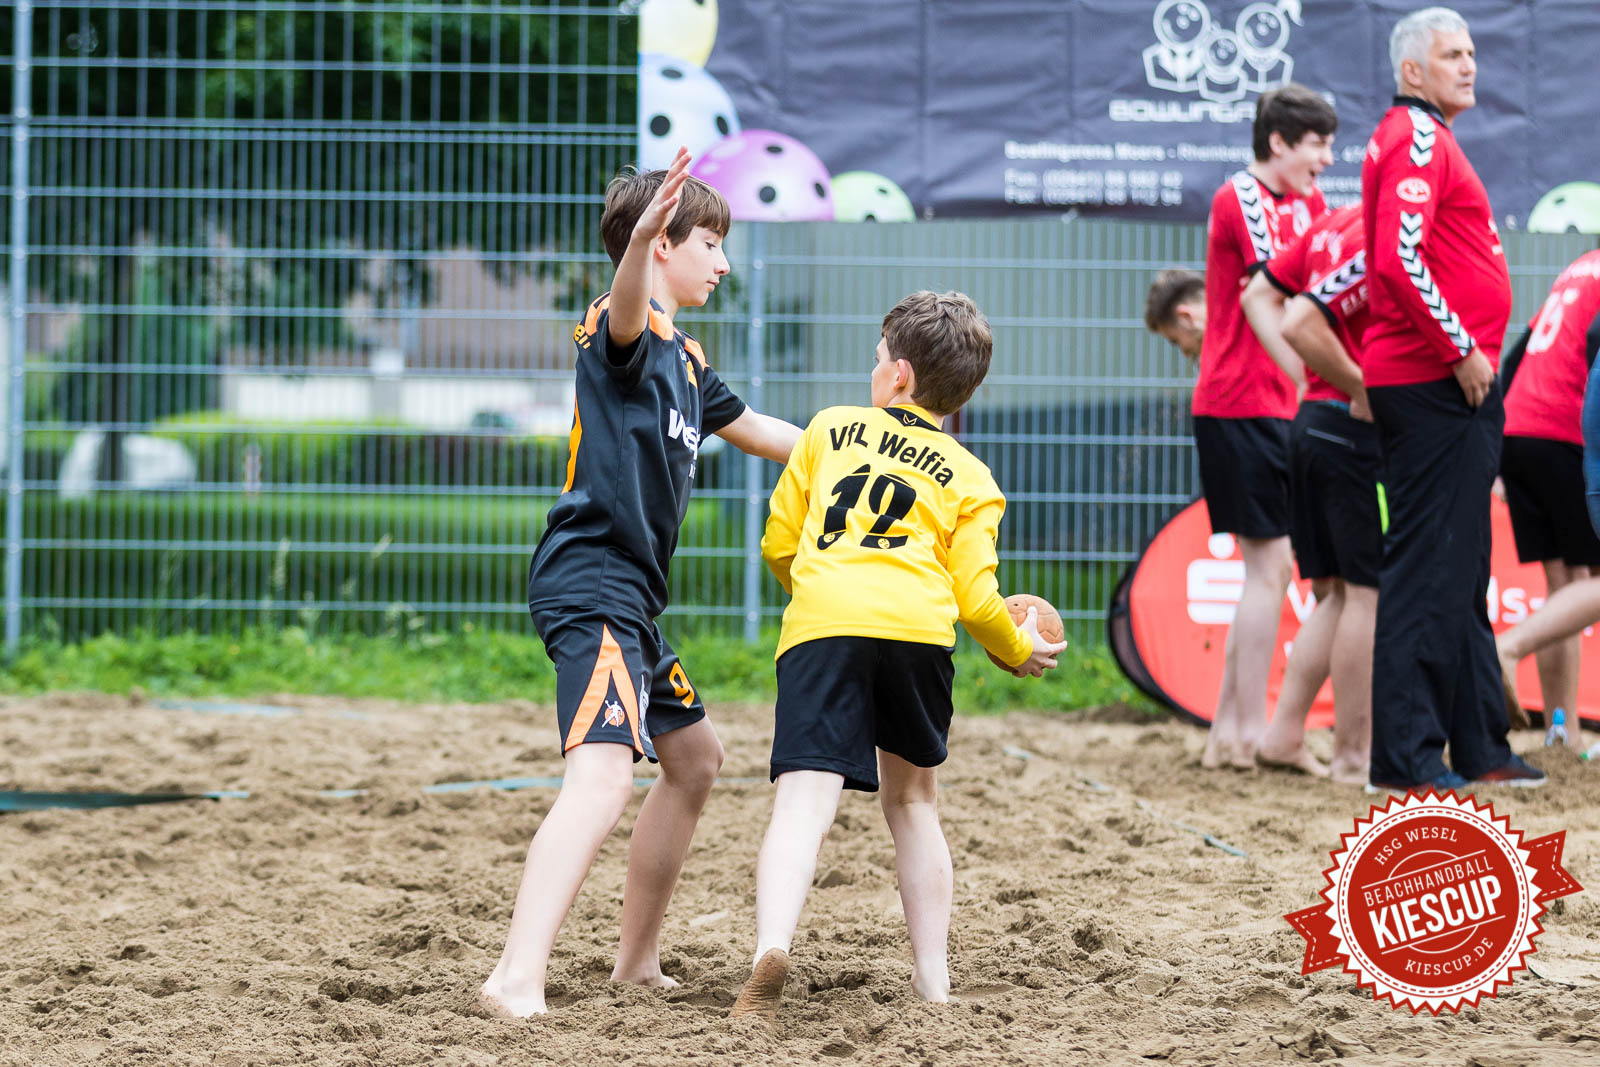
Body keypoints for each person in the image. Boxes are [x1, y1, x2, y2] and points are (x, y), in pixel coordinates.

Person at [480, 148, 802, 1018]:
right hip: (592, 582)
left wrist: (870, 442)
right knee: (602, 779)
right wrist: (640, 242)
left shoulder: (691, 365)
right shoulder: (621, 330)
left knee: (695, 759)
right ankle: (515, 977)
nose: (724, 261)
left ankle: (635, 963)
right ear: (662, 244)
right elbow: (627, 299)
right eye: (709, 242)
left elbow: (775, 435)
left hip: (634, 601)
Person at [728, 291, 1066, 1021]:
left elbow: (779, 544)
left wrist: (818, 594)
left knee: (802, 801)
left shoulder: (828, 428)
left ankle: (772, 946)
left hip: (824, 626)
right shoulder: (972, 476)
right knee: (913, 802)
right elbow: (978, 600)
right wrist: (1019, 649)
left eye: (879, 355)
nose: (873, 365)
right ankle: (934, 980)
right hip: (917, 633)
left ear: (900, 374)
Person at [1360, 7, 1542, 791]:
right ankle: (1403, 760)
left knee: (1462, 566)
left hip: (1440, 380)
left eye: (1472, 52)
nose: (1470, 65)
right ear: (1413, 71)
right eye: (1452, 54)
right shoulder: (1418, 136)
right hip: (1435, 380)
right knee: (1432, 565)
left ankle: (1480, 746)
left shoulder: (1424, 137)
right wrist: (1461, 348)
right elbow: (1394, 258)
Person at [1189, 83, 1335, 770]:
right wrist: (1316, 377)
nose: (1327, 159)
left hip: (1278, 402)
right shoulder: (1240, 197)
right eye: (1317, 144)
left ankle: (1227, 735)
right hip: (1238, 400)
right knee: (1268, 566)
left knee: (1272, 569)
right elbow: (1264, 300)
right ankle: (1247, 732)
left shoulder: (1309, 203)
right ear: (1278, 142)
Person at [1237, 202, 1377, 784]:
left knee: (1336, 594)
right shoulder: (1380, 223)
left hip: (1312, 419)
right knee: (1369, 593)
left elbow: (1257, 298)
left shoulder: (1332, 223)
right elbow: (1278, 308)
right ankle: (1353, 755)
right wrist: (1349, 379)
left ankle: (1284, 732)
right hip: (1351, 418)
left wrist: (1304, 376)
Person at [1496, 248, 1600, 746]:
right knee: (1587, 583)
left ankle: (1564, 731)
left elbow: (1518, 354)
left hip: (1519, 429)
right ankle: (1509, 647)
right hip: (1564, 431)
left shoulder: (1581, 267)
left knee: (1566, 586)